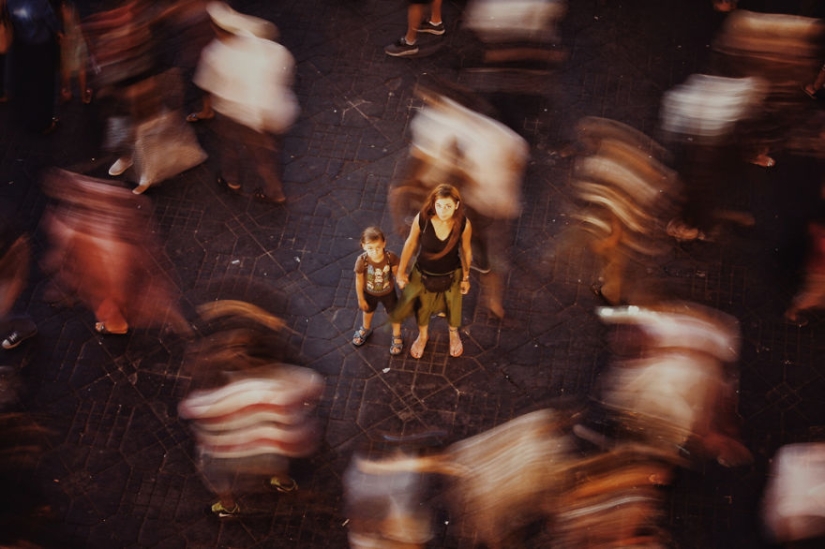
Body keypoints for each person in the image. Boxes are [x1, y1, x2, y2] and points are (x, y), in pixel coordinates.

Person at [193, 1, 299, 204]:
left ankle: (232, 181)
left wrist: (208, 107)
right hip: (272, 115)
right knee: (265, 157)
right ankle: (275, 192)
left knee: (229, 147)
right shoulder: (266, 47)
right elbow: (284, 66)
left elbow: (206, 85)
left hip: (235, 113)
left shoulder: (215, 54)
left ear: (217, 29)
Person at [391, 184, 472, 359]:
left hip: (452, 273)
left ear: (457, 205)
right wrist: (401, 272)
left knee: (453, 307)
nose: (443, 211)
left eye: (448, 206)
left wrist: (466, 277)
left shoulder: (464, 224)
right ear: (433, 203)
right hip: (423, 273)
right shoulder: (422, 219)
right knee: (422, 308)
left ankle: (453, 334)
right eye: (439, 205)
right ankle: (423, 336)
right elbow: (411, 244)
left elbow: (466, 251)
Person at [352, 227, 403, 355]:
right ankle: (366, 328)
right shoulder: (362, 261)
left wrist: (402, 282)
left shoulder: (391, 257)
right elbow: (358, 280)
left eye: (378, 247)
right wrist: (360, 298)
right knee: (368, 312)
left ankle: (397, 335)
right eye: (370, 248)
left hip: (388, 293)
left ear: (384, 243)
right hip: (369, 293)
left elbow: (397, 273)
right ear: (363, 246)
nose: (374, 251)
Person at [59, 0, 91, 104]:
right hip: (74, 37)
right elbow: (77, 22)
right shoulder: (67, 6)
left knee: (67, 67)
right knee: (78, 67)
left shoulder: (65, 6)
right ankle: (83, 95)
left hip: (70, 38)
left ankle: (66, 92)